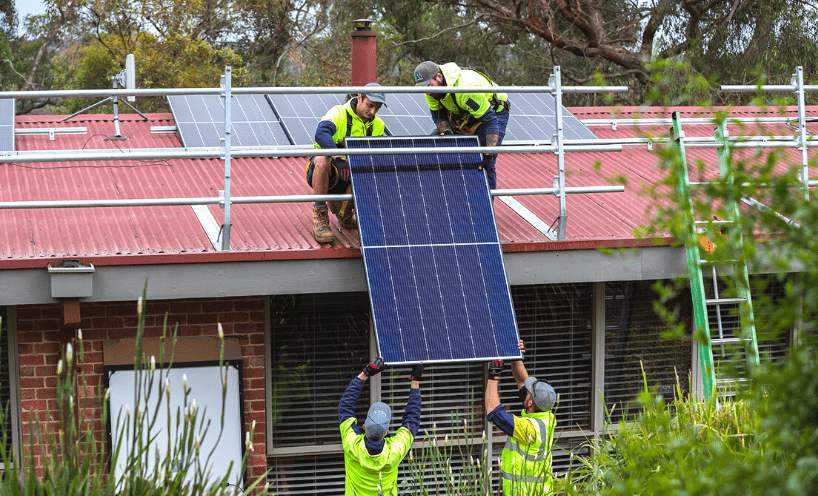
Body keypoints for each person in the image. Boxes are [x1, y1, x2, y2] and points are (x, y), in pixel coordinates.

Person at [307, 83, 388, 243]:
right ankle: (320, 216)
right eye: (370, 105)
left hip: (351, 173)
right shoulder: (339, 113)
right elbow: (321, 133)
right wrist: (338, 156)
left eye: (377, 108)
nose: (372, 112)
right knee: (322, 159)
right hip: (325, 171)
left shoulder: (378, 125)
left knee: (373, 170)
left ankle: (346, 212)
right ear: (359, 98)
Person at [412, 61, 510, 190]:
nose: (427, 92)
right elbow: (438, 116)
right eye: (424, 88)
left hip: (493, 111)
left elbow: (490, 121)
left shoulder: (465, 88)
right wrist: (447, 133)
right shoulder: (431, 91)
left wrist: (488, 154)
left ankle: (485, 207)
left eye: (429, 86)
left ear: (439, 77)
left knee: (484, 161)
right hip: (464, 111)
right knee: (437, 144)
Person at [338, 357, 424, 496]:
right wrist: (415, 379)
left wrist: (365, 373)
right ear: (387, 432)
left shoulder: (351, 444)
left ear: (364, 426)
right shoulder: (395, 450)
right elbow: (412, 420)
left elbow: (345, 406)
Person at [485, 340, 557, 495]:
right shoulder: (547, 415)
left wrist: (493, 375)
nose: (525, 390)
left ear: (530, 402)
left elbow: (494, 412)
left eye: (528, 392)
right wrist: (516, 355)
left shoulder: (529, 429)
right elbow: (521, 381)